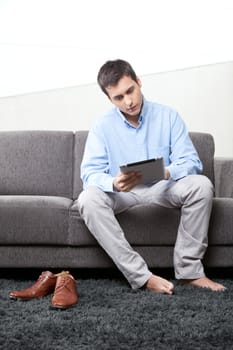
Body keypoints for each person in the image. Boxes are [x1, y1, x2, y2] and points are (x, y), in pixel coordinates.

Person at [77, 59, 225, 294]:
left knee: (201, 185)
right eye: (118, 97)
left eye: (130, 91)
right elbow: (89, 174)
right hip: (123, 195)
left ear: (138, 82)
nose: (128, 101)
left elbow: (192, 162)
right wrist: (113, 182)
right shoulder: (102, 126)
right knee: (87, 199)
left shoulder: (168, 116)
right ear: (109, 99)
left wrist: (166, 171)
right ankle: (142, 277)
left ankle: (190, 272)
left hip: (163, 188)